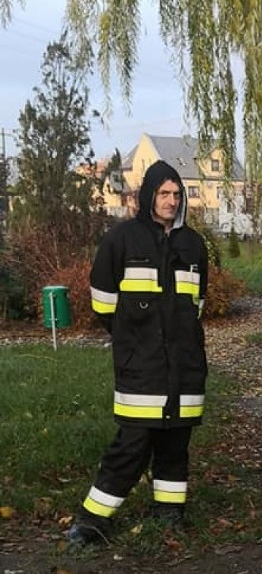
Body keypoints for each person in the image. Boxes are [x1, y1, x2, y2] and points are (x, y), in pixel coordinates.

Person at [66, 160, 208, 544]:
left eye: (177, 194)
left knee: (175, 443)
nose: (171, 201)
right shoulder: (122, 240)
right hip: (140, 363)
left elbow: (198, 304)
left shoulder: (193, 245)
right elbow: (103, 302)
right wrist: (133, 337)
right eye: (164, 193)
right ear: (148, 195)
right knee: (132, 444)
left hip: (185, 364)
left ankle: (168, 513)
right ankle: (92, 520)